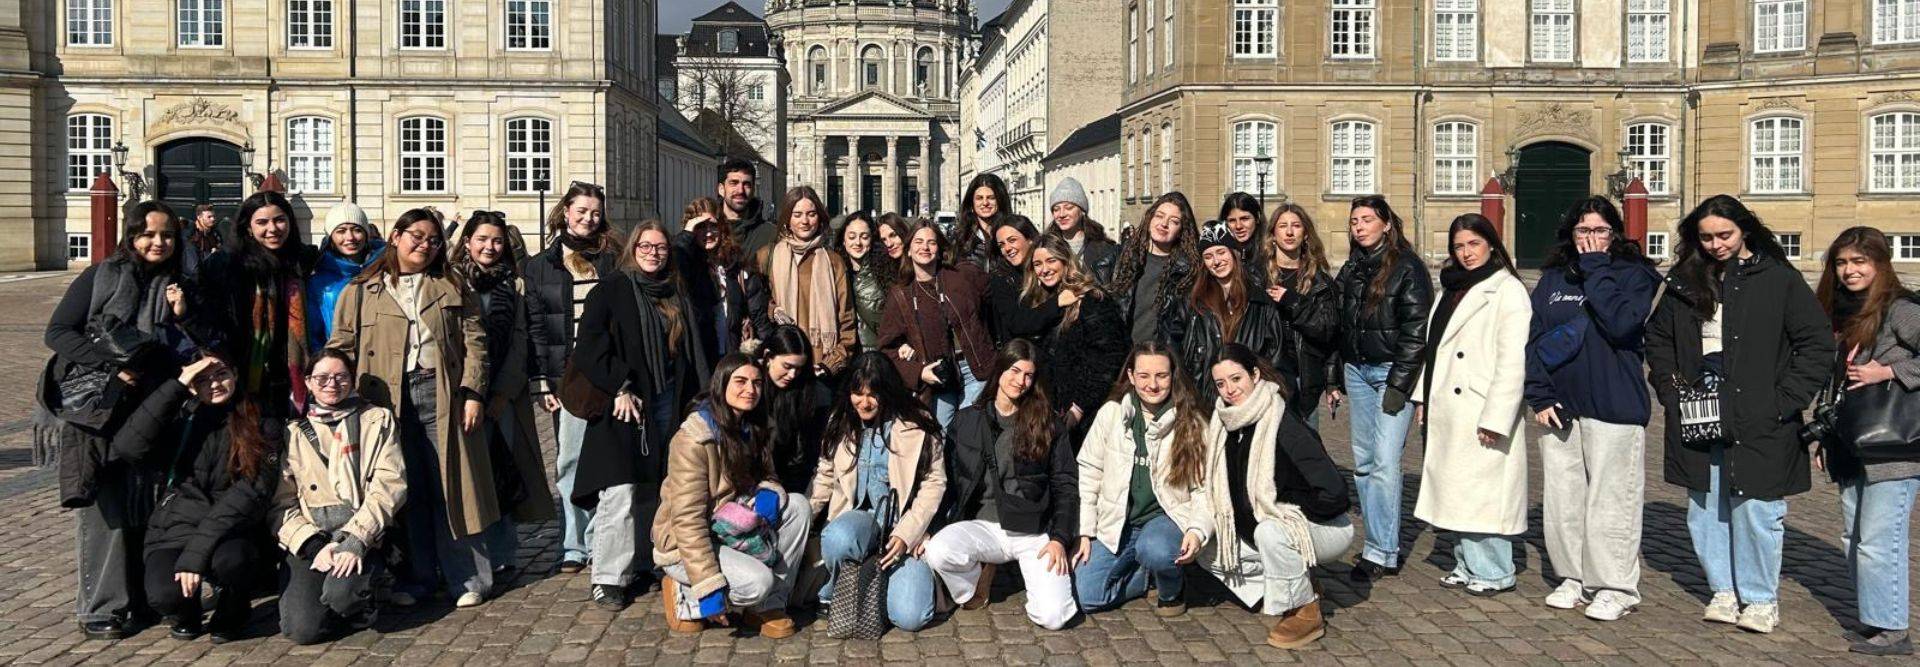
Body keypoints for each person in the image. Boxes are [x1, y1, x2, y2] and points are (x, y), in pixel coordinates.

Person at [1646, 194, 1832, 634]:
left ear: (1744, 229)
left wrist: (1784, 400)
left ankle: (1760, 598)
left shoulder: (1777, 279)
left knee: (1756, 507)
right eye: (1706, 237)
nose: (1715, 244)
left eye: (1724, 235)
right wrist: (1671, 390)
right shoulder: (1684, 280)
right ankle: (1724, 590)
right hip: (1698, 407)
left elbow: (1817, 344)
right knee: (1706, 505)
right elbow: (1657, 340)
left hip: (1760, 413)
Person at [43, 200, 204, 639]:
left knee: (144, 505)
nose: (158, 242)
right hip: (102, 410)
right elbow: (58, 332)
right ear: (131, 236)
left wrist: (183, 316)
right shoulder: (100, 276)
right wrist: (110, 366)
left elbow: (194, 346)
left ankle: (138, 599)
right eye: (149, 234)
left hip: (155, 408)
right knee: (105, 508)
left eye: (167, 234)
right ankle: (100, 607)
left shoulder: (182, 284)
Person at [327, 208, 497, 609]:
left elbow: (476, 343)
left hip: (441, 391)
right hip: (384, 398)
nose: (425, 245)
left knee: (453, 485)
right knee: (406, 488)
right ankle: (417, 578)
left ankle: (468, 577)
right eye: (417, 236)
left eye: (434, 239)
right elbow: (342, 344)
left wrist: (473, 391)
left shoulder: (452, 284)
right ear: (395, 235)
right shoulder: (361, 288)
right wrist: (333, 391)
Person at [1524, 196, 1661, 620]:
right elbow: (1533, 339)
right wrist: (1539, 395)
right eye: (1583, 231)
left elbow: (1621, 323)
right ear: (1571, 234)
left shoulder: (1635, 276)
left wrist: (1597, 268)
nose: (1591, 239)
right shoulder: (1552, 279)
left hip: (1613, 401)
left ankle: (1615, 585)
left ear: (1614, 233)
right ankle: (1573, 576)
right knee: (1564, 497)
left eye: (1600, 230)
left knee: (1610, 498)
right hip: (1562, 404)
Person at [570, 219, 709, 609]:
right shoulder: (612, 289)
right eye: (646, 246)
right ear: (633, 248)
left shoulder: (673, 291)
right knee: (620, 489)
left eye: (660, 247)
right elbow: (589, 348)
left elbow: (686, 348)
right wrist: (620, 385)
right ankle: (609, 576)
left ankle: (646, 560)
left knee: (655, 483)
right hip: (625, 402)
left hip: (665, 397)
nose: (653, 253)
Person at [1197, 345, 1353, 649]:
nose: (1229, 390)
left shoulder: (1283, 423)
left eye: (1236, 378)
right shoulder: (1224, 423)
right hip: (1262, 526)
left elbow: (1335, 494)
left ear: (1255, 374)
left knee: (1271, 530)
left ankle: (1305, 611)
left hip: (1326, 527)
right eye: (1220, 383)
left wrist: (1285, 508)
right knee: (1208, 545)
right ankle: (1294, 582)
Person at [1809, 226, 1920, 655]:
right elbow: (1834, 380)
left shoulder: (1901, 310)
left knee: (1879, 539)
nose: (1849, 271)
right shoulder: (1842, 310)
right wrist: (1823, 436)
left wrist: (1889, 372)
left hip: (1894, 445)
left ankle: (1893, 631)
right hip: (1852, 441)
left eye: (1859, 261)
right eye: (1841, 263)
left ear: (1880, 263)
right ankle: (1877, 620)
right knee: (1853, 538)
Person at [111, 355, 276, 643]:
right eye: (203, 379)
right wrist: (175, 386)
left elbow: (251, 492)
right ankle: (185, 612)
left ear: (235, 373)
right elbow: (127, 447)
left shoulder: (262, 418)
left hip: (233, 529)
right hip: (176, 524)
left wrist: (194, 556)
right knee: (164, 595)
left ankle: (234, 606)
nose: (215, 384)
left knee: (235, 561)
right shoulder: (181, 416)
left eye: (221, 374)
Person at [1410, 214, 1532, 598]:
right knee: (1457, 490)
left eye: (1473, 244)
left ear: (1491, 244)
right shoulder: (1453, 287)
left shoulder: (1508, 290)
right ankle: (1466, 562)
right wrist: (1422, 397)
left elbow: (1513, 360)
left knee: (1484, 493)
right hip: (1448, 401)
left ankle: (1495, 569)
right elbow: (1436, 348)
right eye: (1459, 246)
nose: (1466, 253)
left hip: (1481, 404)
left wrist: (1498, 416)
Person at [923, 339, 1079, 630]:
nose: (1020, 381)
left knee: (1054, 617)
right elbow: (949, 482)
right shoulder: (967, 420)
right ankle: (974, 586)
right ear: (1000, 370)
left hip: (1032, 530)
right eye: (1014, 370)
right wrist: (931, 530)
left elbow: (1065, 484)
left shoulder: (1047, 424)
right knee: (938, 551)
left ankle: (1026, 579)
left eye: (1028, 375)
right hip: (983, 526)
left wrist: (1060, 538)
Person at [654, 355, 812, 638]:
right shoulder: (693, 439)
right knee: (757, 582)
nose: (750, 390)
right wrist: (709, 587)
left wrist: (768, 491)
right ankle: (687, 596)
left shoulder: (754, 426)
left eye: (756, 383)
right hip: (686, 542)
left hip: (732, 524)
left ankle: (766, 606)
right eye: (740, 381)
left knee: (799, 505)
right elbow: (687, 521)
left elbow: (768, 475)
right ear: (722, 384)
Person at [1328, 195, 1432, 582]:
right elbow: (1341, 326)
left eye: (1368, 219)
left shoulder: (1408, 268)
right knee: (1365, 463)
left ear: (1387, 224)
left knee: (1386, 462)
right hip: (1357, 371)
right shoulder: (1352, 268)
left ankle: (1381, 551)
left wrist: (1400, 384)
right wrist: (1335, 375)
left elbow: (1416, 332)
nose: (1359, 226)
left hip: (1390, 373)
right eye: (1355, 220)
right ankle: (1377, 541)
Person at [450, 212, 556, 580]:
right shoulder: (451, 281)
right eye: (482, 239)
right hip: (460, 391)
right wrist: (470, 390)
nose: (489, 247)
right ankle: (466, 555)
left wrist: (502, 393)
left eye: (496, 241)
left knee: (503, 469)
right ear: (467, 242)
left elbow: (519, 340)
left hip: (503, 395)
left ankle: (503, 550)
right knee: (468, 473)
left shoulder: (515, 284)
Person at [275, 350, 407, 645]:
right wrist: (311, 544)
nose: (331, 383)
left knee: (342, 597)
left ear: (351, 379)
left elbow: (389, 484)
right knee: (302, 630)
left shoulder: (376, 419)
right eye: (322, 377)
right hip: (314, 536)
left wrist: (355, 540)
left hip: (361, 530)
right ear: (308, 382)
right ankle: (331, 600)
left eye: (340, 376)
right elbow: (281, 503)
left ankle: (360, 597)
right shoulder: (292, 432)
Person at [809, 352, 947, 632]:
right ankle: (845, 586)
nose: (864, 402)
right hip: (859, 519)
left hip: (903, 527)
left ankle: (881, 584)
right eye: (857, 393)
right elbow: (824, 475)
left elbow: (935, 482)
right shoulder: (841, 421)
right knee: (838, 536)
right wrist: (805, 516)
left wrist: (908, 533)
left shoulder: (917, 423)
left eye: (873, 394)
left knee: (911, 617)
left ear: (888, 391)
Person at [1074, 342, 1213, 617]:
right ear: (1130, 376)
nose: (1152, 384)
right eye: (1144, 376)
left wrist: (1197, 531)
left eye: (1161, 375)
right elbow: (1089, 472)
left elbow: (1205, 489)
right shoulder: (1111, 414)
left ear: (1173, 376)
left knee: (1155, 548)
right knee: (1086, 596)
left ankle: (1172, 588)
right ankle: (1144, 575)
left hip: (1166, 520)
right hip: (1118, 522)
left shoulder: (1192, 423)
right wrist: (1085, 531)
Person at [522, 181, 616, 574]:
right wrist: (544, 382)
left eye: (595, 213)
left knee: (608, 462)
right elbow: (536, 327)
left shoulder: (611, 260)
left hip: (607, 372)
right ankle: (574, 543)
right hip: (567, 377)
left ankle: (601, 540)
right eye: (581, 211)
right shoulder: (542, 265)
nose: (588, 219)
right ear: (565, 212)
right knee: (571, 461)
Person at [200, 191, 319, 419]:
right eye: (262, 222)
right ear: (248, 227)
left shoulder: (305, 260)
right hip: (244, 373)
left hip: (293, 373)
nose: (272, 229)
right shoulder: (225, 265)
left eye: (279, 220)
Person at [879, 219, 995, 430]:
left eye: (931, 242)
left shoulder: (962, 276)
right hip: (939, 378)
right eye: (919, 242)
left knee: (971, 432)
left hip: (976, 369)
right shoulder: (901, 294)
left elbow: (996, 299)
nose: (925, 247)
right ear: (909, 250)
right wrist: (918, 373)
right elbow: (886, 350)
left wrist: (992, 344)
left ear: (939, 248)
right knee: (940, 434)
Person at [1158, 219, 1285, 408]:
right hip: (1201, 399)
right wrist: (1184, 390)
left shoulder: (1259, 301)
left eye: (1221, 252)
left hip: (1248, 399)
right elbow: (1172, 345)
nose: (1216, 261)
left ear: (1234, 254)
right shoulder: (1191, 301)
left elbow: (1275, 354)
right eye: (1208, 256)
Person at [1025, 235, 1129, 446]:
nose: (1044, 269)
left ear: (1066, 261)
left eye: (1051, 260)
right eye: (1037, 264)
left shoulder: (1091, 299)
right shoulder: (1039, 302)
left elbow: (1109, 359)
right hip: (1049, 410)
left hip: (1085, 413)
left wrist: (1079, 407)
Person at [755, 186, 857, 378]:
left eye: (811, 214)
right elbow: (756, 306)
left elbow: (847, 320)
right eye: (797, 214)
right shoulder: (766, 256)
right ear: (787, 219)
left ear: (819, 218)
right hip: (781, 367)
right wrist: (773, 310)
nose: (805, 221)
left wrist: (830, 365)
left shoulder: (833, 261)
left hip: (821, 365)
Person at [675, 197, 772, 385]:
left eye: (712, 226)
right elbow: (676, 264)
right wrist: (686, 235)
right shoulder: (686, 265)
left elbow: (758, 314)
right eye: (700, 227)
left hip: (732, 356)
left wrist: (769, 349)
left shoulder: (736, 265)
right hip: (698, 359)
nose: (708, 233)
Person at [1261, 204, 1339, 423]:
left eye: (1296, 226)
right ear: (1273, 234)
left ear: (1305, 234)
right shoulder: (1258, 277)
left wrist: (1293, 302)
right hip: (1268, 376)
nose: (1289, 232)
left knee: (1306, 446)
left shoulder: (1320, 282)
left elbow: (1328, 331)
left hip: (1304, 378)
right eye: (1282, 226)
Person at [1110, 192, 1199, 346]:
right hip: (1121, 356)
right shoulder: (1120, 259)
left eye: (1174, 221)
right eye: (1159, 216)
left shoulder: (1188, 271)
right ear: (1150, 218)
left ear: (1181, 231)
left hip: (1161, 360)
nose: (1164, 224)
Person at [307, 202, 384, 354]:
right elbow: (314, 333)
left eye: (357, 230)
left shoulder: (386, 269)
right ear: (331, 237)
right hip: (339, 361)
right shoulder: (318, 282)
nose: (350, 237)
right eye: (341, 231)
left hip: (382, 359)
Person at [759, 326, 828, 493]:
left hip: (793, 479)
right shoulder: (752, 390)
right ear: (768, 357)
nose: (792, 374)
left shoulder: (809, 393)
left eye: (798, 368)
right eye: (787, 366)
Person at [986, 215, 1062, 345]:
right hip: (1022, 357)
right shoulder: (1001, 279)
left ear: (1030, 239)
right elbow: (1017, 323)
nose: (1007, 248)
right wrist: (1057, 303)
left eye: (1012, 240)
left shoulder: (1049, 270)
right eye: (1001, 245)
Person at [1044, 177, 1119, 284]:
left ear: (1082, 211)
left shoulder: (1105, 249)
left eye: (1068, 208)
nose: (1061, 214)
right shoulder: (1045, 248)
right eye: (1056, 209)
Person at [834, 211, 889, 349]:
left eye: (864, 237)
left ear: (872, 240)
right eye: (852, 237)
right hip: (843, 354)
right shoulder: (833, 272)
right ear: (844, 240)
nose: (857, 242)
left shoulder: (885, 273)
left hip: (874, 353)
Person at [717, 158, 777, 259]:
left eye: (746, 184)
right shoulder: (707, 232)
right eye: (734, 183)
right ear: (721, 189)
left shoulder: (770, 235)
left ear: (753, 190)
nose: (740, 190)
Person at [954, 173, 1013, 270]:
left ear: (1000, 200)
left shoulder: (1012, 236)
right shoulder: (961, 239)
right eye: (979, 198)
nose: (985, 203)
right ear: (971, 203)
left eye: (991, 198)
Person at [1217, 193, 1271, 291]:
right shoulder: (1216, 254)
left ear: (1257, 218)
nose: (1238, 226)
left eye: (1245, 219)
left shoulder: (1271, 253)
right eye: (1232, 220)